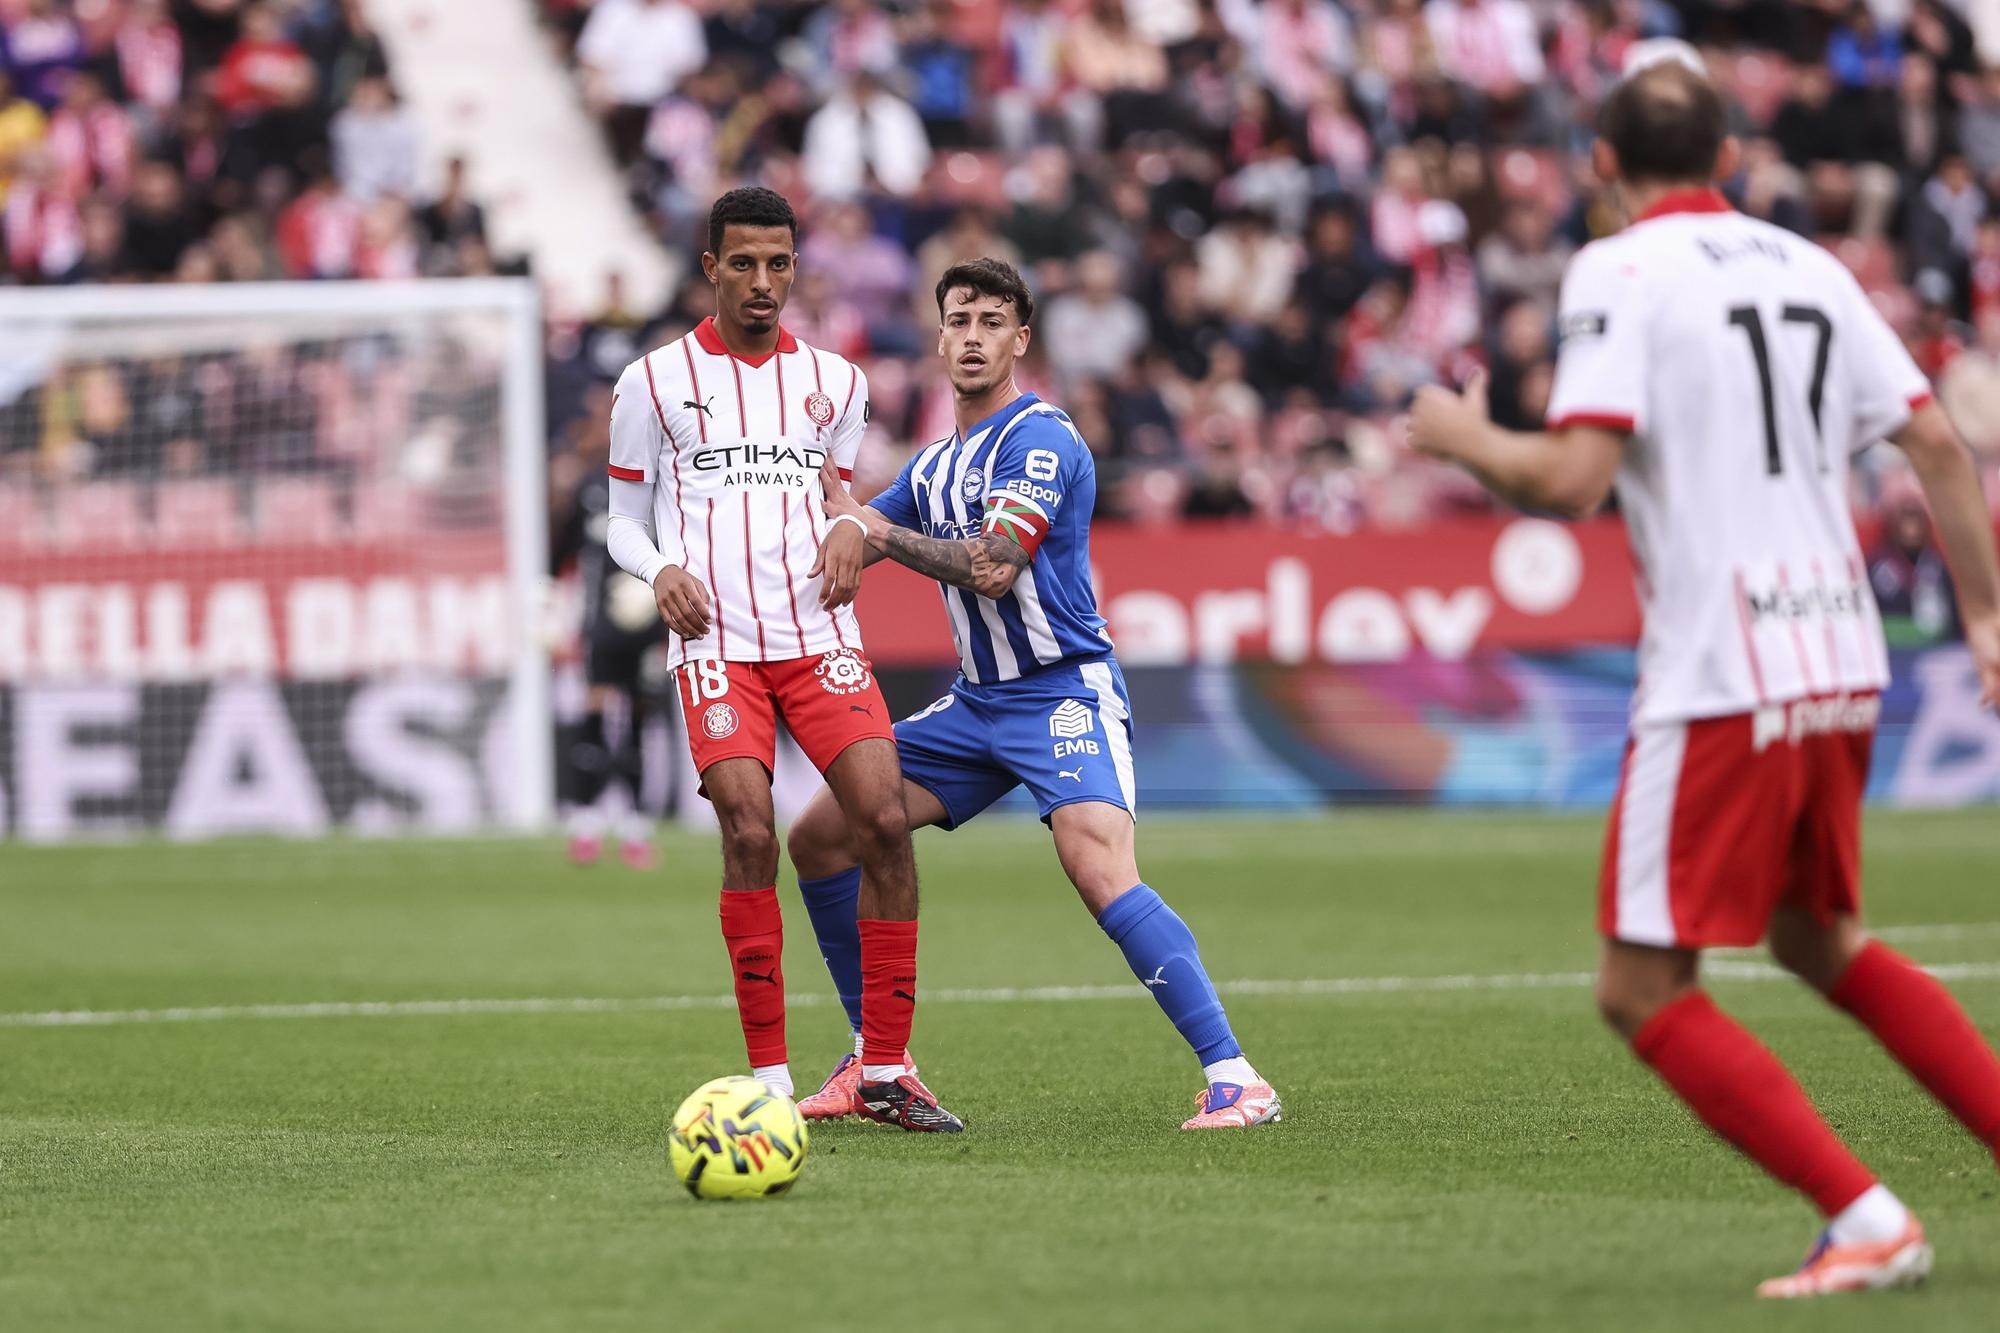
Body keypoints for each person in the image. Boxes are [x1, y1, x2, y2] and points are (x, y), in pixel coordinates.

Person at [1409, 47, 2000, 1298]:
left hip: (1722, 666)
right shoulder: (1812, 265)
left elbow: (1570, 479)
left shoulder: (1615, 268)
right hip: (1837, 654)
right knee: (1817, 936)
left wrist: (1466, 437)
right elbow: (1940, 446)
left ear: (1602, 166)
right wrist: (1987, 620)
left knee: (1638, 987)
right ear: (1730, 158)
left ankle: (1865, 1217)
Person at [793, 258, 1281, 1131]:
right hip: (977, 703)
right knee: (823, 836)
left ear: (1021, 339)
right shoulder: (937, 464)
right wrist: (806, 520)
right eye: (958, 320)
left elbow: (993, 566)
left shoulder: (1043, 437)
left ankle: (1236, 1075)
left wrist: (876, 529)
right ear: (938, 338)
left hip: (1062, 691)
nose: (972, 335)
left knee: (1096, 863)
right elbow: (853, 539)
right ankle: (874, 1060)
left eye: (991, 320)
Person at [604, 187, 962, 1132]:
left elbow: (839, 493)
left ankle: (884, 1066)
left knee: (884, 818)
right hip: (716, 642)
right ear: (711, 265)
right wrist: (660, 566)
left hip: (819, 638)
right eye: (745, 263)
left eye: (779, 263)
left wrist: (852, 528)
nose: (764, 282)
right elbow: (618, 522)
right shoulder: (652, 380)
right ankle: (768, 1080)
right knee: (750, 830)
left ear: (795, 267)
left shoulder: (838, 384)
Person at [552, 390, 666, 870]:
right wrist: (548, 607)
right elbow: (561, 557)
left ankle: (636, 828)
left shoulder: (659, 488)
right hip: (600, 626)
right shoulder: (588, 489)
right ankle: (585, 824)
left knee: (638, 725)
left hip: (647, 629)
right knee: (594, 722)